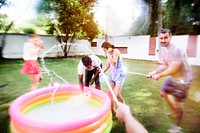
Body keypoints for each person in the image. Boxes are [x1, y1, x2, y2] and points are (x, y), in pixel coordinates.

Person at [146, 29, 192, 133]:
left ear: (170, 37)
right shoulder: (163, 50)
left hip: (183, 80)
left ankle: (176, 127)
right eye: (161, 38)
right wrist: (154, 72)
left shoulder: (177, 49)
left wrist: (159, 75)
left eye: (165, 37)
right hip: (173, 77)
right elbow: (166, 65)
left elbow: (173, 69)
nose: (163, 40)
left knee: (178, 106)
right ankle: (173, 109)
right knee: (163, 93)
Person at [101, 41, 125, 111]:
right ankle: (113, 109)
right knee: (110, 93)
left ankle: (123, 104)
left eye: (105, 50)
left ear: (108, 48)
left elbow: (114, 63)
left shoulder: (116, 51)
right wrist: (102, 71)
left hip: (119, 75)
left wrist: (108, 54)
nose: (105, 52)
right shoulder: (109, 54)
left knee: (117, 94)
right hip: (113, 75)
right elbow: (108, 65)